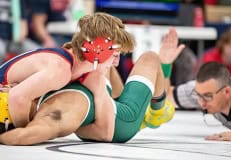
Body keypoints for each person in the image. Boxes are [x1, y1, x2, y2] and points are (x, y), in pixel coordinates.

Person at [0, 26, 184, 145]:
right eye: (115, 55)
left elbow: (18, 98)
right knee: (150, 58)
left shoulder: (43, 83)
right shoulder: (51, 115)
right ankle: (158, 112)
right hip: (119, 122)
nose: (10, 89)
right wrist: (97, 92)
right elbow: (104, 133)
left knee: (103, 70)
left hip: (99, 100)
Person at [0, 12, 135, 128]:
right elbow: (18, 98)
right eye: (115, 55)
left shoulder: (76, 69)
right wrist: (25, 134)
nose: (116, 64)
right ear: (99, 50)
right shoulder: (61, 69)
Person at [168, 61, 231, 141]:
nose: (202, 103)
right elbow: (167, 95)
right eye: (198, 95)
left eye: (208, 96)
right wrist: (165, 65)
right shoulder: (202, 89)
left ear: (227, 92)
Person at [0, 0, 40, 64]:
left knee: (38, 52)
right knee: (0, 51)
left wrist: (22, 35)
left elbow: (23, 23)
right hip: (1, 39)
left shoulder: (18, 1)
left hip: (14, 40)